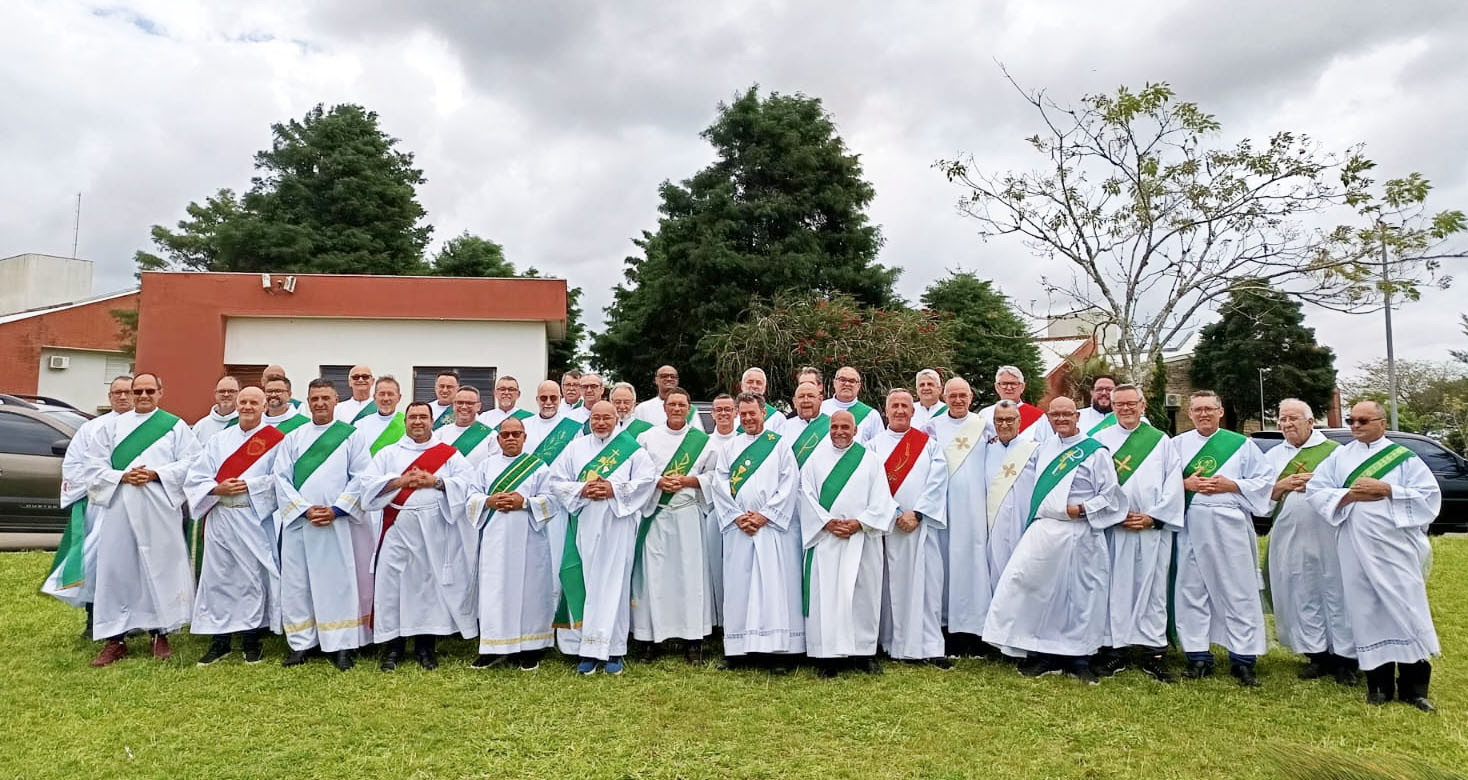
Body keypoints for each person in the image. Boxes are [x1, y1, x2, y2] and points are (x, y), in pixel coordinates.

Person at [1307, 401, 1442, 712]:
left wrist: (1388, 490)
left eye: (1363, 420)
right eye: (1352, 420)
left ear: (1381, 422)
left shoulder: (1404, 459)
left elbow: (1429, 497)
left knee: (1407, 608)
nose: (1355, 426)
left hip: (1395, 548)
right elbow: (1317, 491)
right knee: (1365, 610)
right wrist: (1350, 494)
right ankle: (1378, 686)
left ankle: (1414, 688)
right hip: (1354, 547)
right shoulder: (1340, 457)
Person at [984, 397, 1125, 684]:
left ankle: (1080, 658)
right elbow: (1017, 470)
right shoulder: (1043, 447)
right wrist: (992, 443)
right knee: (1037, 589)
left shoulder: (1094, 452)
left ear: (1077, 416)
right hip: (1046, 530)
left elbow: (1111, 495)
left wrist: (1082, 509)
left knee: (1079, 595)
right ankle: (1044, 653)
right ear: (1048, 418)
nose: (1060, 419)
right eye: (1055, 414)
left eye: (1066, 414)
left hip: (1080, 531)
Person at [84, 373, 201, 666]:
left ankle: (160, 633)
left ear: (161, 392)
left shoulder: (175, 427)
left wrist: (156, 474)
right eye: (138, 391)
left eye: (150, 390)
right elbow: (92, 467)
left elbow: (193, 463)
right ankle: (115, 639)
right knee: (116, 569)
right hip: (119, 508)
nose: (143, 395)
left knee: (159, 568)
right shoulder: (110, 427)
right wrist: (122, 475)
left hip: (158, 508)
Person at [361, 402, 476, 671]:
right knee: (392, 587)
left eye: (423, 417)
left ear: (432, 421)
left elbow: (468, 483)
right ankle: (393, 646)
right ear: (406, 421)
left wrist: (436, 482)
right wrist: (398, 482)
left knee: (428, 588)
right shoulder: (389, 454)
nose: (417, 422)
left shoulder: (448, 455)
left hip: (433, 529)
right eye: (412, 417)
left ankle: (426, 647)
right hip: (396, 527)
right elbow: (365, 486)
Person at [547, 400, 658, 675]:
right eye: (596, 418)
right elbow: (557, 480)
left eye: (606, 418)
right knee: (588, 582)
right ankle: (587, 649)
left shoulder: (632, 449)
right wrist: (583, 490)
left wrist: (614, 489)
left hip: (618, 524)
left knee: (615, 585)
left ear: (616, 418)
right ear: (590, 420)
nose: (600, 423)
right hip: (585, 524)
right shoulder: (576, 448)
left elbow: (647, 481)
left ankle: (614, 650)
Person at [1172, 390, 1273, 686]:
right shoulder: (1177, 445)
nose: (1203, 414)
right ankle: (1197, 655)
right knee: (1192, 589)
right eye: (1197, 410)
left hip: (1230, 524)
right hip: (1190, 523)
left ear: (1220, 412)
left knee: (1238, 591)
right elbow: (1160, 483)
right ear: (1189, 414)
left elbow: (1264, 482)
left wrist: (1233, 485)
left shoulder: (1242, 445)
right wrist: (1184, 483)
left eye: (1209, 409)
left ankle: (1243, 659)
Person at [273, 378, 373, 671]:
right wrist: (303, 510)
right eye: (314, 398)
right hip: (300, 524)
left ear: (336, 401)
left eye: (325, 398)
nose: (319, 403)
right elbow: (280, 478)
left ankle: (340, 644)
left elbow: (361, 477)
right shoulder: (293, 437)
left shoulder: (350, 436)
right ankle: (302, 643)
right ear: (307, 400)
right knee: (298, 583)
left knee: (337, 583)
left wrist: (337, 509)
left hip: (335, 523)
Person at [1091, 384, 1182, 682]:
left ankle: (1153, 652)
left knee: (1152, 589)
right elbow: (1092, 484)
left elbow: (1173, 484)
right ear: (1113, 406)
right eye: (1120, 404)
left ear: (1143, 406)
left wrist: (1154, 518)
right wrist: (1112, 515)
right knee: (1113, 588)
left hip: (1150, 529)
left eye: (1132, 404)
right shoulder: (1100, 440)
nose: (1126, 409)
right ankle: (1113, 649)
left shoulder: (1160, 441)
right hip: (1114, 530)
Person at [185, 387, 282, 665]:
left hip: (252, 516)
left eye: (254, 402)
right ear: (236, 404)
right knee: (219, 578)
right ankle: (220, 640)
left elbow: (280, 479)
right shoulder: (219, 440)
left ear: (264, 406)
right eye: (243, 402)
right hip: (220, 516)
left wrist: (249, 485)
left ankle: (251, 639)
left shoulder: (275, 441)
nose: (248, 406)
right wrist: (217, 488)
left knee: (252, 577)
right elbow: (196, 476)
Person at [707, 393, 804, 670]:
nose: (748, 418)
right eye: (744, 413)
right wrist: (737, 516)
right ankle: (737, 650)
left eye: (753, 413)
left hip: (771, 530)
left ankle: (775, 652)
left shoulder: (779, 445)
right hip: (740, 529)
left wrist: (765, 515)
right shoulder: (730, 447)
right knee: (739, 586)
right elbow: (720, 483)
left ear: (763, 413)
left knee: (772, 588)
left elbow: (789, 483)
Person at [798, 410, 896, 676]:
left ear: (855, 430)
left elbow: (882, 501)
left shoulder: (870, 460)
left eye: (845, 427)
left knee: (863, 596)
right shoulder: (814, 460)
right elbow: (805, 496)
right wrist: (827, 522)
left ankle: (864, 653)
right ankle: (827, 656)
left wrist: (859, 522)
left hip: (861, 539)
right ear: (829, 429)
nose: (840, 431)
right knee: (827, 598)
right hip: (827, 539)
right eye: (835, 427)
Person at [1265, 398, 1354, 684]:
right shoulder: (1272, 457)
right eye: (1282, 419)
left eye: (1293, 418)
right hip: (1289, 534)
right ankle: (1316, 654)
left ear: (1310, 421)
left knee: (1336, 592)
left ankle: (1346, 658)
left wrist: (1317, 482)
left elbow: (1349, 489)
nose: (1287, 424)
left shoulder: (1336, 453)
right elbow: (1260, 498)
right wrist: (1281, 485)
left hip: (1329, 534)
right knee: (1301, 591)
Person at [466, 416, 560, 671]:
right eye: (505, 434)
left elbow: (553, 500)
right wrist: (489, 501)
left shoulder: (538, 467)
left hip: (529, 540)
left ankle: (530, 647)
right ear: (498, 439)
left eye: (515, 434)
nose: (510, 438)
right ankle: (493, 647)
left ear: (524, 437)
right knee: (495, 591)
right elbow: (470, 497)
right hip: (495, 540)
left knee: (530, 591)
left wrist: (525, 502)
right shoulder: (485, 466)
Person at [631, 387, 717, 663]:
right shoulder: (647, 438)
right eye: (672, 404)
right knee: (655, 577)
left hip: (687, 513)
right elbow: (638, 474)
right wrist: (658, 482)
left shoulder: (703, 442)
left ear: (689, 408)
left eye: (682, 404)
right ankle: (651, 640)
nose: (677, 409)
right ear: (664, 407)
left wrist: (689, 481)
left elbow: (715, 477)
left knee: (689, 577)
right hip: (657, 513)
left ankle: (693, 640)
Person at [43, 375, 132, 637]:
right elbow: (74, 467)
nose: (123, 397)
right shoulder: (91, 429)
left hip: (137, 507)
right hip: (101, 507)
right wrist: (106, 485)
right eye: (117, 393)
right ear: (110, 397)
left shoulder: (149, 426)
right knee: (96, 562)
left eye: (128, 392)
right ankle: (94, 619)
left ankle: (133, 621)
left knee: (130, 563)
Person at [872, 390, 949, 669]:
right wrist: (894, 514)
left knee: (926, 587)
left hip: (921, 528)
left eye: (905, 405)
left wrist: (916, 513)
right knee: (888, 587)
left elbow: (937, 482)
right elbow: (871, 486)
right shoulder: (873, 446)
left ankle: (928, 645)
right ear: (886, 410)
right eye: (895, 405)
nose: (900, 410)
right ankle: (890, 642)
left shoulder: (928, 445)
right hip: (889, 529)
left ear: (913, 411)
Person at [925, 376, 990, 655]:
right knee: (945, 566)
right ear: (944, 396)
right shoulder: (932, 427)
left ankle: (974, 630)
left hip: (975, 509)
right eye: (952, 395)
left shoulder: (983, 426)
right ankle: (944, 628)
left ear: (971, 397)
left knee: (973, 566)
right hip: (943, 509)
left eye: (963, 395)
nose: (958, 400)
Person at [983, 402, 1038, 599]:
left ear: (1019, 421)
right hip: (994, 523)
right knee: (996, 572)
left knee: (1024, 572)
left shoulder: (1033, 450)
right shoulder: (986, 450)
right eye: (999, 420)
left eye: (1009, 419)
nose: (1004, 424)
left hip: (1023, 522)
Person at [699, 394, 742, 629]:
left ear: (736, 412)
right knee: (714, 566)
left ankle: (737, 620)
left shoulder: (746, 441)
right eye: (719, 410)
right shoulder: (704, 443)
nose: (724, 414)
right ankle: (717, 622)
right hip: (713, 511)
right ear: (712, 414)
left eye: (728, 409)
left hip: (741, 515)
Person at [977, 366, 1051, 441]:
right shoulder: (984, 415)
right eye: (1004, 384)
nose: (1009, 388)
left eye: (1013, 384)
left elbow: (1047, 446)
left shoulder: (1038, 417)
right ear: (997, 387)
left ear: (1022, 387)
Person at [819, 366, 882, 444]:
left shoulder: (871, 415)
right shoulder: (820, 409)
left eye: (852, 381)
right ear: (834, 383)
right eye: (842, 380)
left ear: (858, 386)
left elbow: (878, 446)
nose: (847, 384)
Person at [435, 386, 496, 466]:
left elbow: (494, 467)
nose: (464, 407)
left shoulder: (490, 436)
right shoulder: (440, 434)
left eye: (469, 403)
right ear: (454, 405)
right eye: (460, 402)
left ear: (478, 407)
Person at [355, 376, 406, 456]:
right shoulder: (361, 425)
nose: (386, 398)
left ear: (399, 398)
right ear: (375, 397)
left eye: (390, 394)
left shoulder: (408, 423)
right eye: (382, 394)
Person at [784, 382, 829, 469]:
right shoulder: (784, 427)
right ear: (794, 402)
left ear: (820, 400)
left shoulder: (833, 426)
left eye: (811, 396)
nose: (806, 400)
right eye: (801, 397)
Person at [192, 376, 240, 443]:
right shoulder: (201, 427)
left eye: (231, 391)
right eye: (222, 391)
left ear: (239, 394)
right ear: (215, 394)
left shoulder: (245, 424)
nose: (226, 394)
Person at [738, 368, 786, 435]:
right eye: (750, 382)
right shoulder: (730, 414)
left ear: (764, 388)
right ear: (742, 386)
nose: (754, 386)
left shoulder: (777, 418)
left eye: (759, 383)